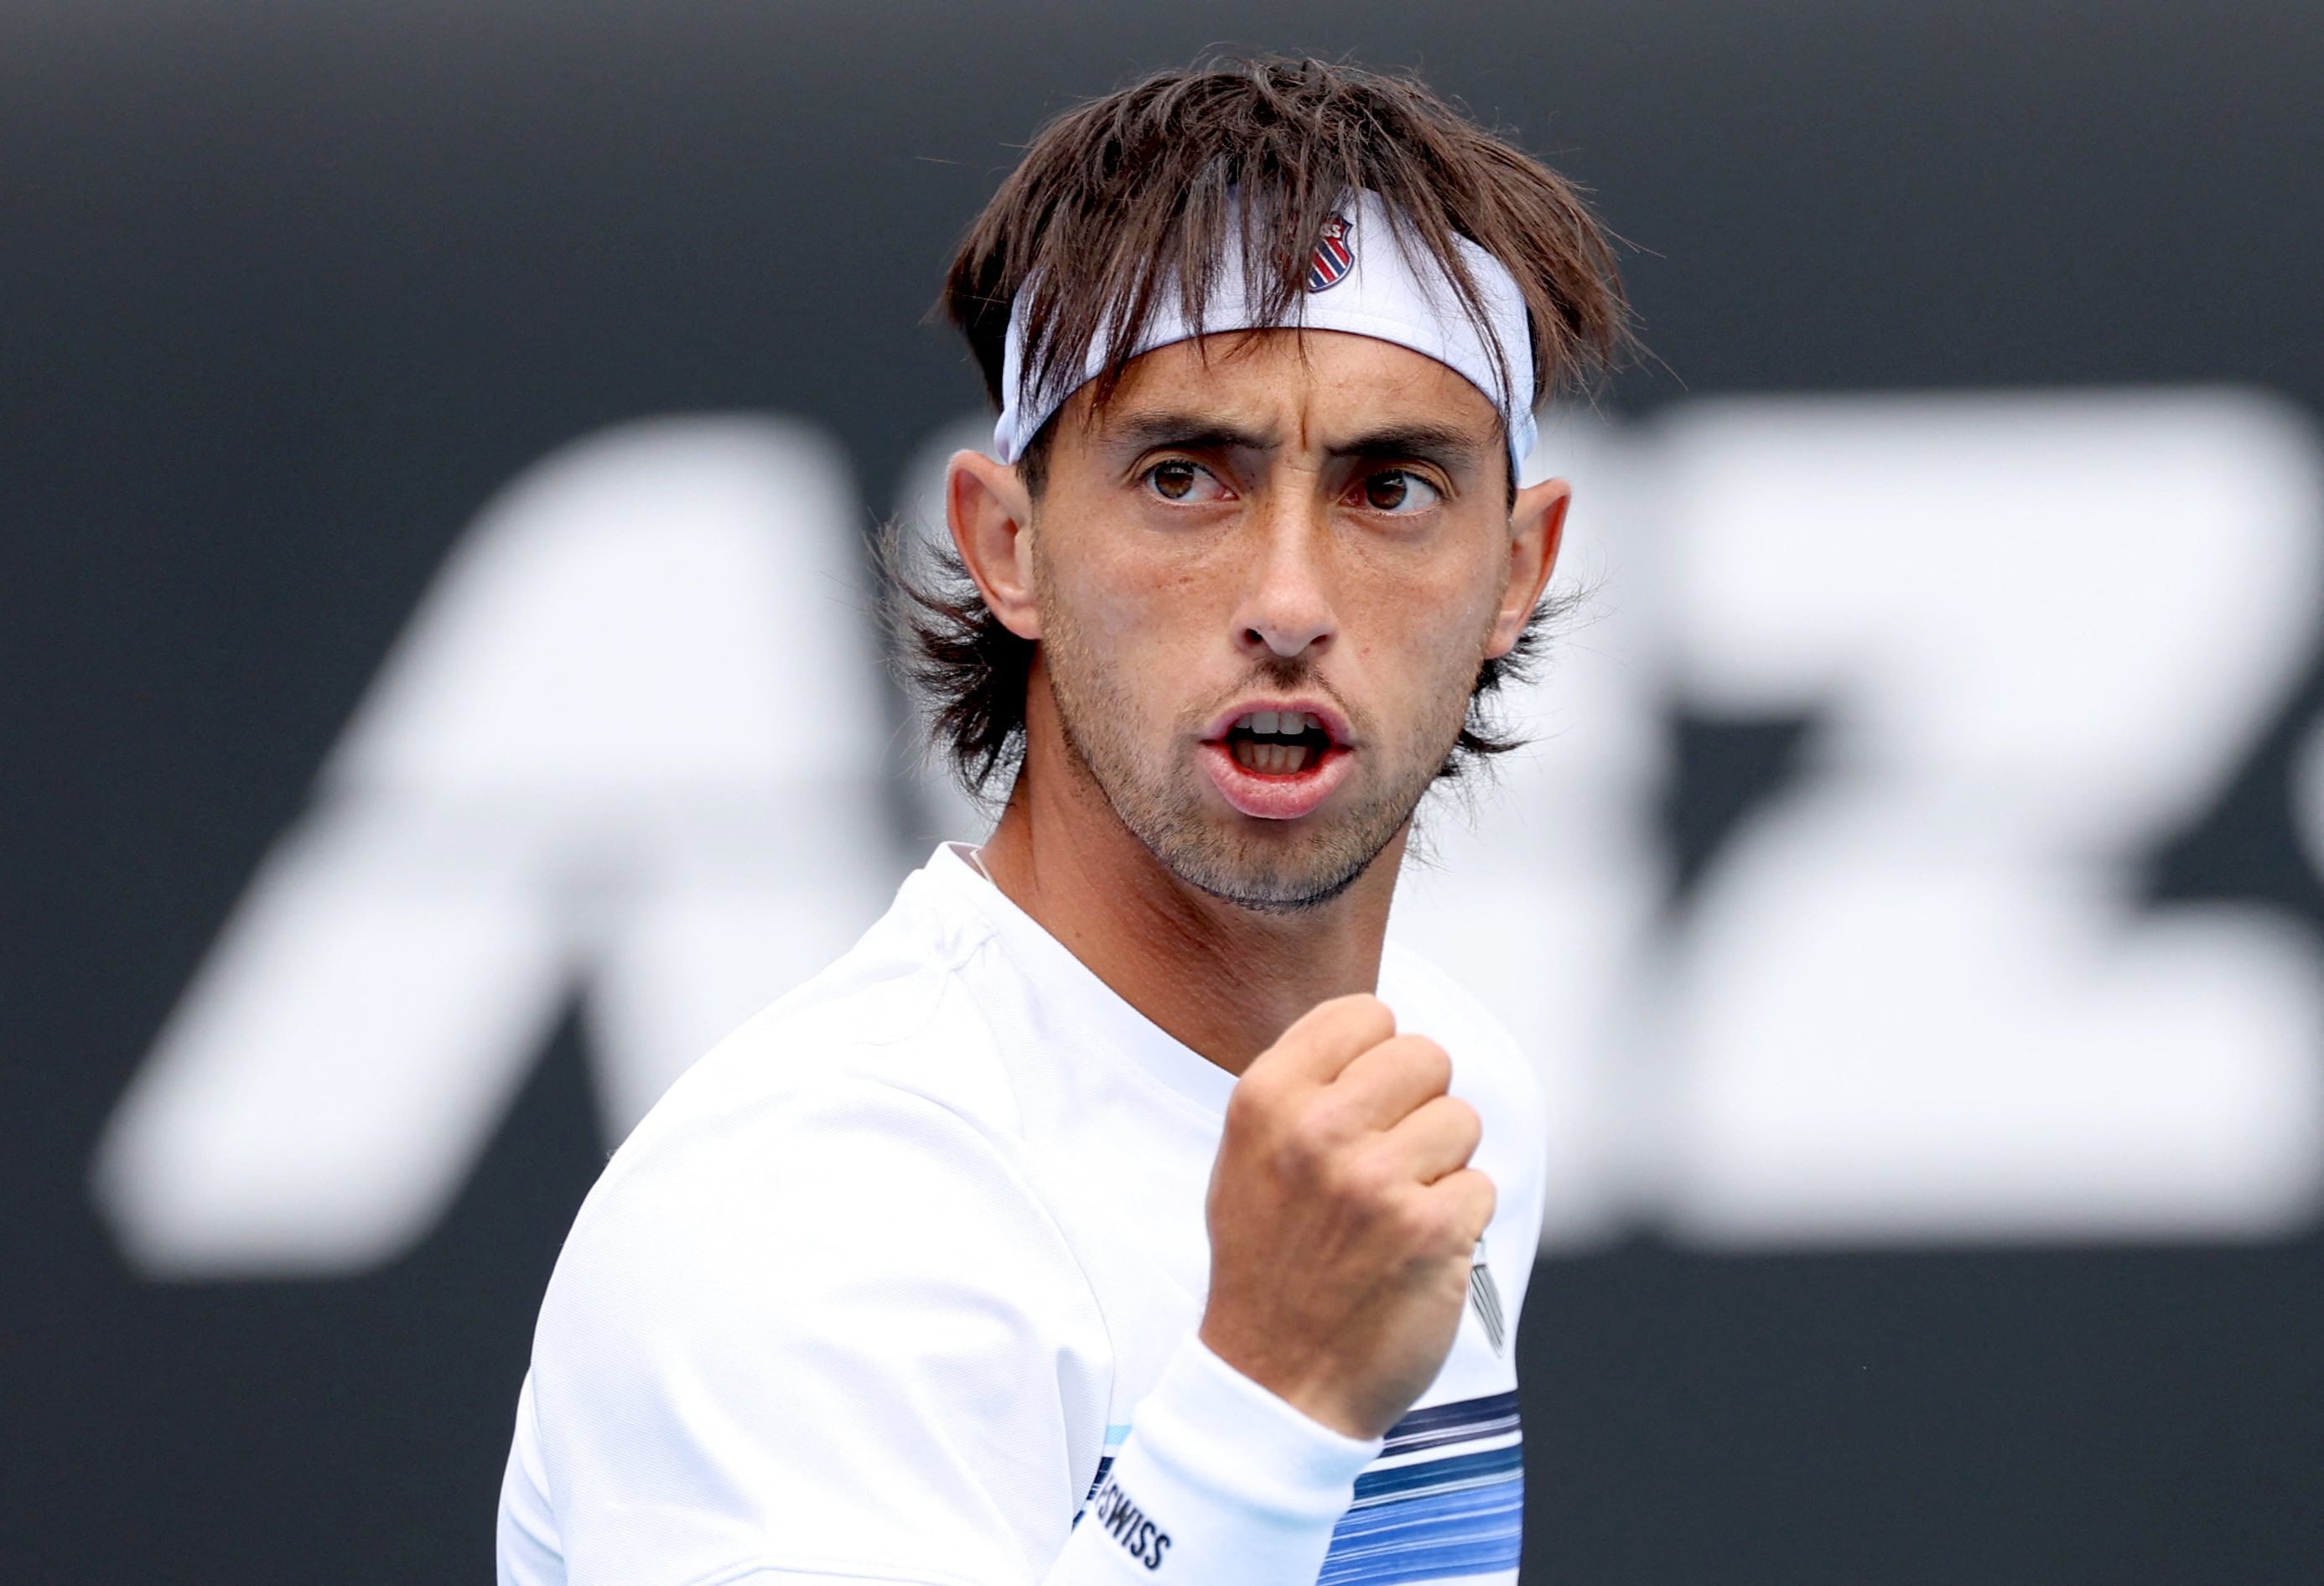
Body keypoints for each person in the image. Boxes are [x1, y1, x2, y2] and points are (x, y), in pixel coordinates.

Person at [497, 55, 1628, 1586]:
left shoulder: (1443, 1093)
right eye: (1184, 478)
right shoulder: (801, 1223)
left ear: (1516, 570)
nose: (1288, 603)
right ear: (1008, 547)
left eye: (1391, 488)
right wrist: (1263, 1407)